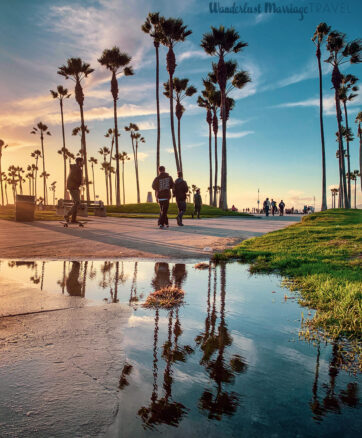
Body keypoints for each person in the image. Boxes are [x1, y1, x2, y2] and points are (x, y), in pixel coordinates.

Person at [64, 157, 83, 223]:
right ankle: (67, 215)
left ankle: (73, 219)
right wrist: (80, 182)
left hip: (74, 187)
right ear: (79, 162)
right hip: (73, 187)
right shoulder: (76, 168)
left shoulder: (75, 168)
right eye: (82, 162)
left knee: (76, 203)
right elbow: (73, 178)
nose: (83, 163)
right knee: (77, 203)